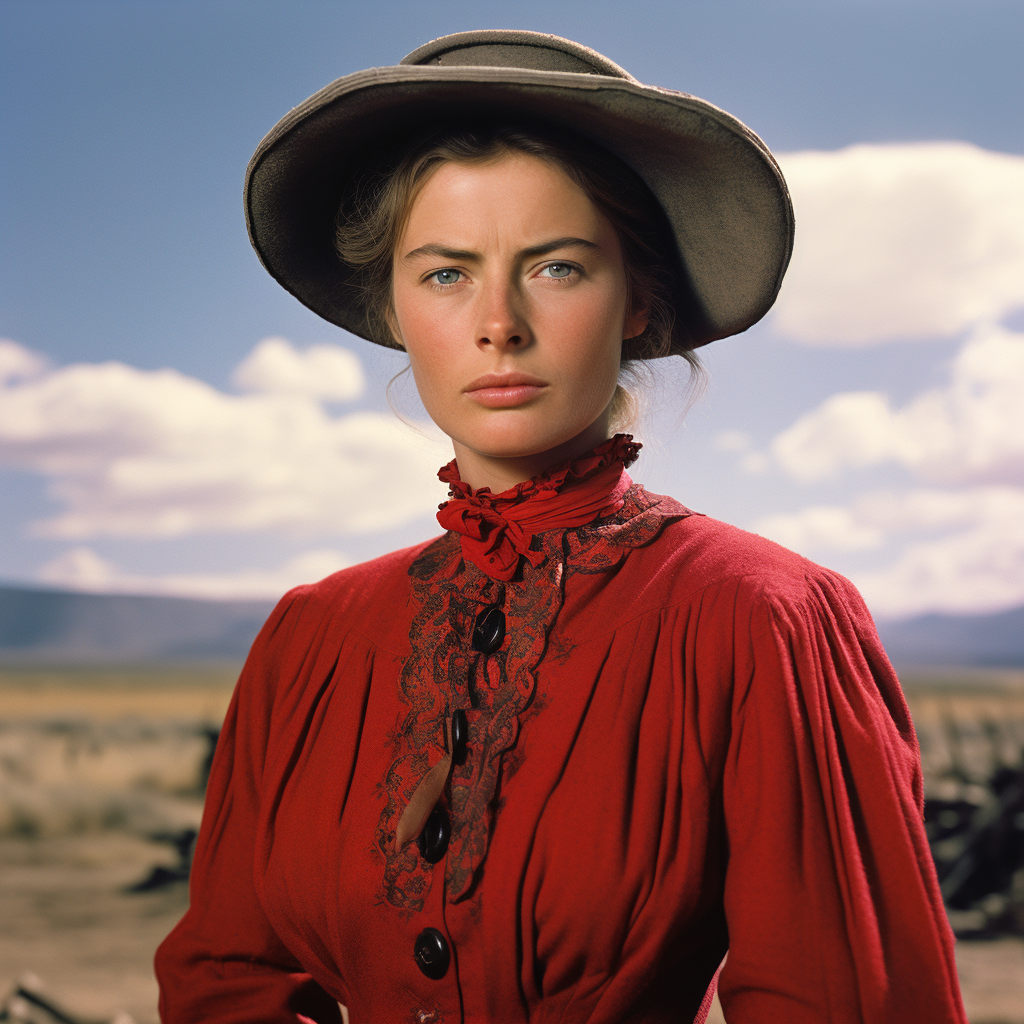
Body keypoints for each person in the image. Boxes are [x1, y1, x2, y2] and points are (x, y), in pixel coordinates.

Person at [155, 30, 967, 1023]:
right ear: (396, 308)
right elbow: (224, 978)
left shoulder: (765, 619)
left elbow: (847, 1002)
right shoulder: (311, 634)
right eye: (446, 273)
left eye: (558, 268)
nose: (498, 322)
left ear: (636, 301)